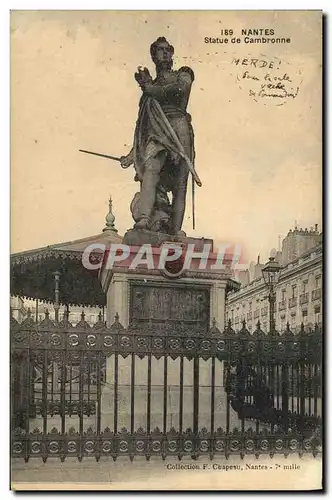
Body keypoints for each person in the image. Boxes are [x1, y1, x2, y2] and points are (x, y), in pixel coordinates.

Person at [120, 37, 196, 235]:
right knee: (152, 169)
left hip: (178, 127)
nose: (165, 53)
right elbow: (142, 126)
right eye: (160, 50)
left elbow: (181, 89)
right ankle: (144, 218)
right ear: (153, 56)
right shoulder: (148, 91)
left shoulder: (183, 73)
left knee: (180, 181)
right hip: (156, 132)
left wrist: (150, 89)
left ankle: (177, 229)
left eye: (168, 50)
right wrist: (131, 154)